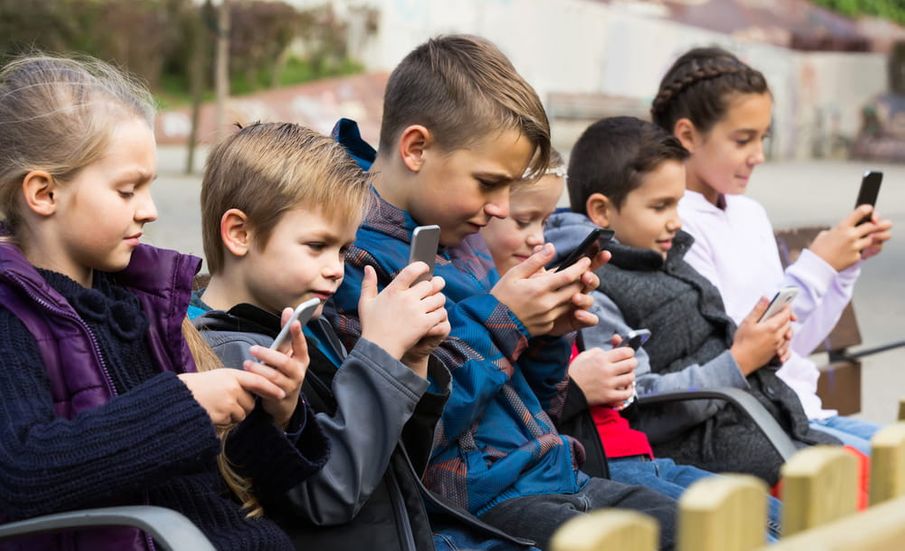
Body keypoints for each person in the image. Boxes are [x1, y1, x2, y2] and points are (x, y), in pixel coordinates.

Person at [331, 35, 679, 551]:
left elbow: (537, 407)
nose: (499, 208)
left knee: (719, 531)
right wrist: (505, 322)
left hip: (555, 477)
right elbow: (409, 437)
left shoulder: (459, 237)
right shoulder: (348, 260)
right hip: (477, 510)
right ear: (416, 148)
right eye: (488, 183)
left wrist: (546, 332)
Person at [0, 55, 328, 550]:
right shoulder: (10, 314)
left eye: (149, 187)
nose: (150, 210)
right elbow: (21, 476)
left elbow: (222, 487)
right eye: (127, 190)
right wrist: (183, 404)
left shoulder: (137, 303)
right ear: (44, 194)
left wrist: (277, 415)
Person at [190, 121, 514, 551]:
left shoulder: (311, 326)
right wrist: (379, 352)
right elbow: (332, 492)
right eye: (316, 246)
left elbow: (391, 466)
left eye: (342, 249)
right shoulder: (229, 355)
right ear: (240, 233)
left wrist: (410, 360)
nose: (336, 269)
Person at [480, 150, 781, 539]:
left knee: (781, 516)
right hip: (602, 463)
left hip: (638, 451)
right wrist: (579, 386)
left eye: (546, 221)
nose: (539, 238)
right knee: (730, 532)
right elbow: (512, 414)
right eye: (660, 205)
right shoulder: (507, 296)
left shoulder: (561, 279)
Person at [546, 116, 841, 488]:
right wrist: (741, 360)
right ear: (602, 211)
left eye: (677, 205)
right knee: (848, 484)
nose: (676, 222)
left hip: (761, 422)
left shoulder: (664, 255)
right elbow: (637, 402)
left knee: (856, 472)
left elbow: (703, 343)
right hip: (710, 450)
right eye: (660, 207)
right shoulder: (594, 286)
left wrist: (760, 346)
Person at [651, 47, 893, 455]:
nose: (759, 156)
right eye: (743, 140)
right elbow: (742, 345)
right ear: (688, 135)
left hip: (804, 410)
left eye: (763, 138)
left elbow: (792, 344)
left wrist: (843, 267)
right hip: (759, 422)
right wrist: (818, 265)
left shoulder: (749, 212)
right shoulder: (674, 225)